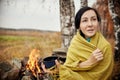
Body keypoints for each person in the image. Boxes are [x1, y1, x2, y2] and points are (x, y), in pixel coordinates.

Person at [42, 6, 114, 80]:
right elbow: (68, 67)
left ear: (98, 23)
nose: (90, 24)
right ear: (78, 25)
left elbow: (101, 76)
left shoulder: (105, 47)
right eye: (85, 20)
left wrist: (62, 71)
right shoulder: (75, 43)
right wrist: (88, 63)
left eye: (94, 19)